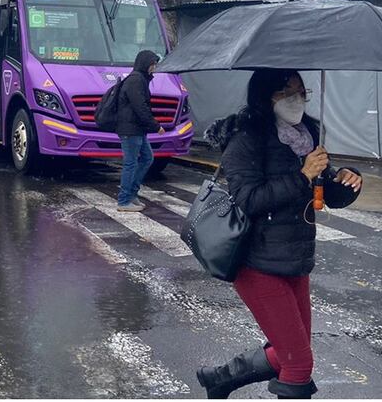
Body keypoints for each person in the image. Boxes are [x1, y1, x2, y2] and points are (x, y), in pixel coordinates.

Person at [197, 70, 364, 399]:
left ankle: (220, 379)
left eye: (302, 92)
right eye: (287, 93)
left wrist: (345, 179)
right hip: (255, 262)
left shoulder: (306, 134)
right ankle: (222, 380)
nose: (296, 100)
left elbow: (324, 191)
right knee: (299, 364)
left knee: (292, 349)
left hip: (294, 259)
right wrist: (303, 175)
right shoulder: (245, 139)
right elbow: (248, 200)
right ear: (265, 96)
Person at [115, 49, 165, 212]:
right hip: (131, 129)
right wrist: (156, 126)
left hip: (137, 129)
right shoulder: (136, 80)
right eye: (152, 64)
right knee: (131, 163)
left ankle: (131, 193)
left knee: (147, 158)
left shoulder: (141, 79)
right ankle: (123, 201)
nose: (154, 67)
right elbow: (140, 107)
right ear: (145, 63)